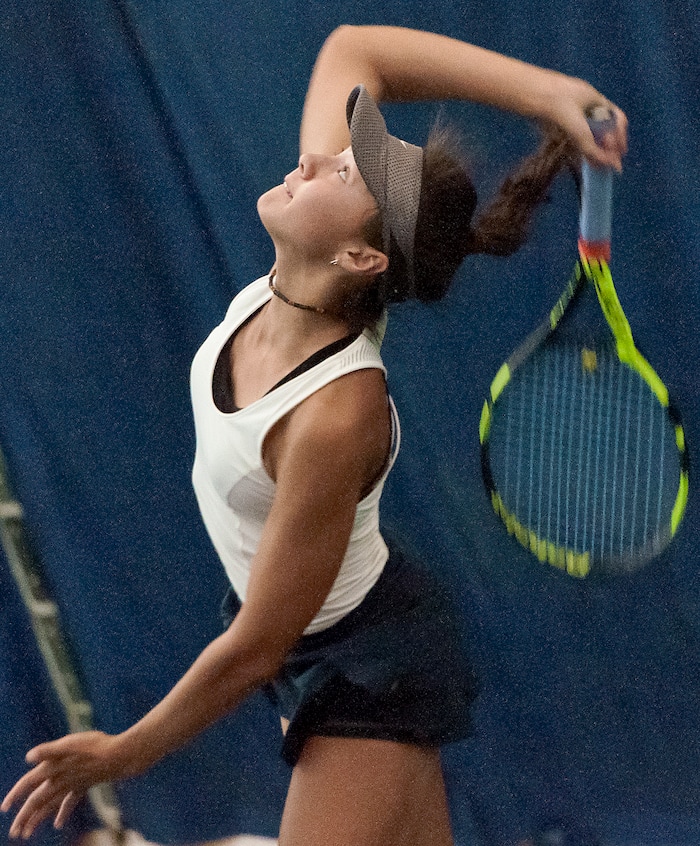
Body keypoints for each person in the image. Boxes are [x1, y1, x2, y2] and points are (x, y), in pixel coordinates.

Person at [1, 25, 627, 846]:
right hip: (323, 647)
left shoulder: (338, 414)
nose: (316, 158)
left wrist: (123, 754)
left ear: (362, 255)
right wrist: (547, 92)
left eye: (346, 170)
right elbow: (353, 50)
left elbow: (258, 643)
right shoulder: (307, 265)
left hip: (366, 676)